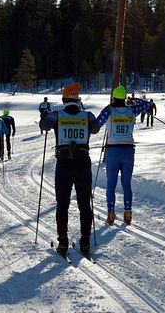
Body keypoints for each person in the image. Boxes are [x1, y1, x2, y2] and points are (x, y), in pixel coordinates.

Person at [39, 82, 100, 258]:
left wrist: (45, 113)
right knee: (84, 205)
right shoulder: (87, 116)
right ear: (78, 99)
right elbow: (95, 128)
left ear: (64, 99)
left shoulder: (57, 115)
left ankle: (63, 243)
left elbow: (43, 126)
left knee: (62, 205)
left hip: (64, 165)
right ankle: (86, 242)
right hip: (83, 164)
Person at [96, 85, 152, 226]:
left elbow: (96, 125)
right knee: (126, 184)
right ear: (124, 98)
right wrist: (132, 101)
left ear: (113, 98)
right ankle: (128, 213)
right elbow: (147, 104)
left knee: (111, 184)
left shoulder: (109, 111)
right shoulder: (132, 110)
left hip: (113, 152)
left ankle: (111, 213)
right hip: (128, 151)